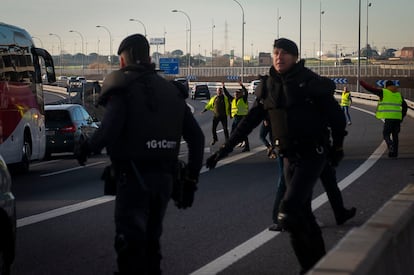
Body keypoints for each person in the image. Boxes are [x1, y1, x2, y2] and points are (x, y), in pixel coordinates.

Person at [206, 38, 347, 274]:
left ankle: (308, 267)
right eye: (275, 53)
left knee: (288, 211)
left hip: (313, 153)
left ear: (295, 56)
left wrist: (338, 147)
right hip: (288, 157)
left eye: (284, 53)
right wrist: (224, 149)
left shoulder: (310, 82)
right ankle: (320, 265)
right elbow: (248, 122)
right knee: (302, 216)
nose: (278, 57)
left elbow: (336, 117)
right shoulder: (268, 86)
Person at [76, 34, 205, 274]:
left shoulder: (122, 89)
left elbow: (108, 129)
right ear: (148, 56)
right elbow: (197, 139)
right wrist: (191, 180)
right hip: (166, 181)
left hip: (133, 179)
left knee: (130, 246)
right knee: (151, 244)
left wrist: (86, 148)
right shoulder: (172, 91)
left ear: (123, 62)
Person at [269, 156, 356, 231]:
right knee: (295, 180)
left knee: (326, 177)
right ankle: (289, 218)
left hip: (305, 147)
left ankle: (339, 213)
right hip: (301, 147)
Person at [359, 80, 408, 157]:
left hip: (389, 118)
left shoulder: (383, 92)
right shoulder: (398, 94)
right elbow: (405, 106)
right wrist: (402, 116)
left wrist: (362, 83)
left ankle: (390, 144)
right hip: (397, 118)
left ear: (386, 86)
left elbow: (371, 89)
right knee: (395, 135)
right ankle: (394, 153)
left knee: (386, 134)